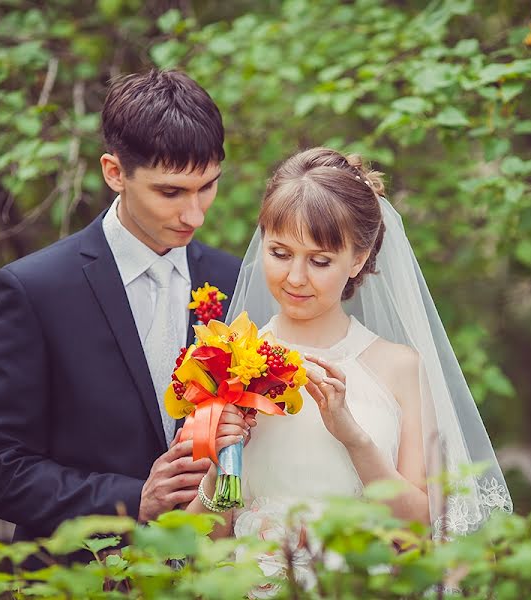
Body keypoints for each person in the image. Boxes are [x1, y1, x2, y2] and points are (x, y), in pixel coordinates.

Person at [185, 147, 512, 588]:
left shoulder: (400, 368)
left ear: (357, 260)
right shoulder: (228, 361)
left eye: (319, 261)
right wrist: (220, 462)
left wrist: (354, 438)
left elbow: (423, 534)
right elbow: (198, 547)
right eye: (280, 253)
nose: (296, 278)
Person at [0, 69, 251, 543]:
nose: (194, 214)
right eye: (171, 192)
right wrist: (133, 500)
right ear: (114, 173)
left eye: (208, 186)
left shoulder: (235, 281)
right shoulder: (34, 290)